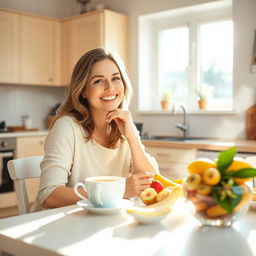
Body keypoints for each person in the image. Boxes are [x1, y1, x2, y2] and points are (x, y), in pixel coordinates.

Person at [32, 48, 159, 211]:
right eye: (99, 81)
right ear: (83, 90)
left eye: (115, 78)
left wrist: (132, 137)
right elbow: (49, 196)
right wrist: (117, 192)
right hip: (59, 225)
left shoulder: (125, 126)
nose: (110, 87)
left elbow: (151, 184)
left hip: (103, 223)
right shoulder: (67, 127)